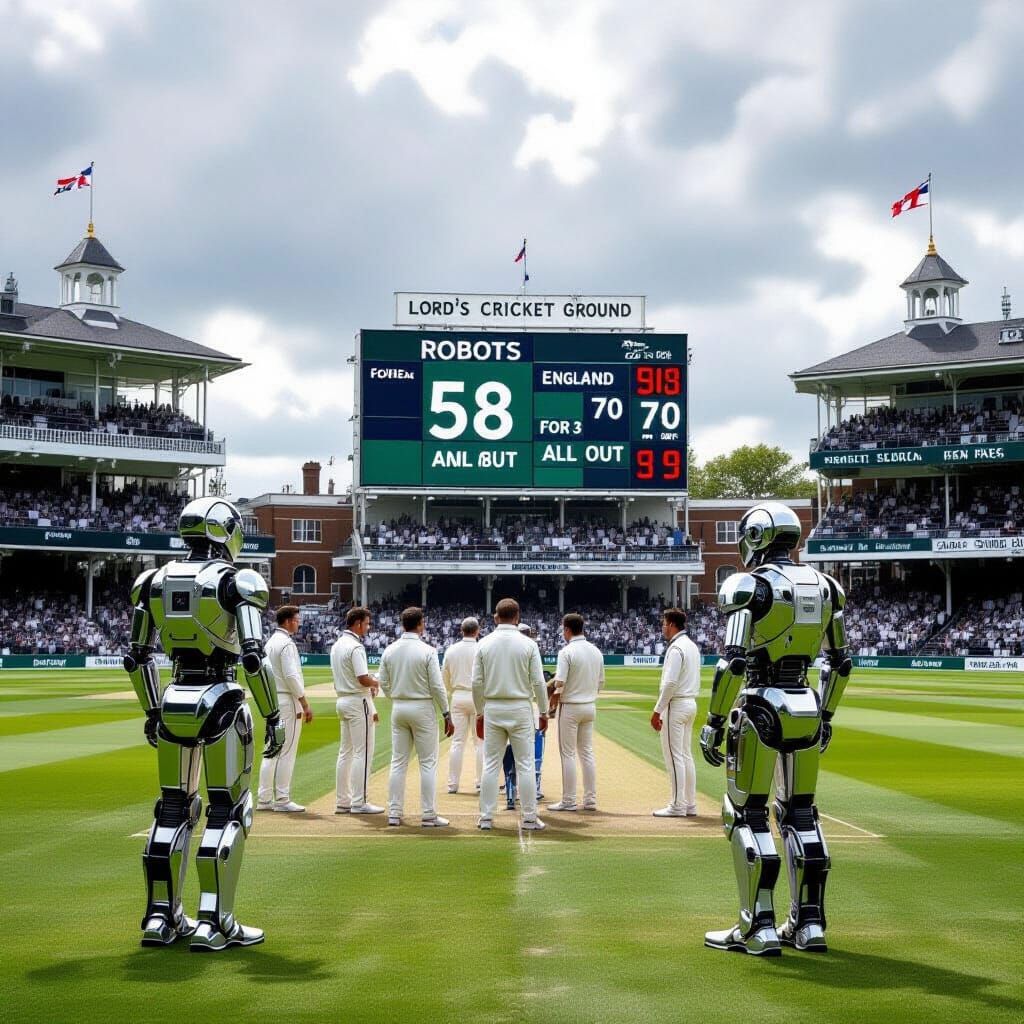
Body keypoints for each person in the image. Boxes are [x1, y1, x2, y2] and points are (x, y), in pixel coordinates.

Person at [123, 497, 283, 951]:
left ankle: (160, 917)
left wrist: (152, 711)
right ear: (228, 531)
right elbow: (253, 655)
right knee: (228, 810)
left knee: (172, 808)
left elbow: (136, 657)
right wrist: (272, 714)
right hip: (222, 697)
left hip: (173, 698)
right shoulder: (238, 581)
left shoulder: (153, 581)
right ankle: (217, 920)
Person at [699, 503, 852, 957]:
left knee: (744, 814)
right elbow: (840, 663)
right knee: (801, 814)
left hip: (762, 702)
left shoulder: (750, 585)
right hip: (806, 702)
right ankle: (809, 925)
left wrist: (713, 720)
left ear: (757, 535)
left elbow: (734, 660)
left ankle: (757, 926)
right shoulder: (827, 587)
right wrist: (825, 716)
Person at [472, 598, 549, 831]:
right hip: (520, 707)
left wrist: (479, 712)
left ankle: (486, 817)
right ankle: (528, 817)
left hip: (494, 707)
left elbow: (476, 683)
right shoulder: (528, 644)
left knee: (490, 764)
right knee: (525, 764)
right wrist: (543, 711)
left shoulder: (484, 643)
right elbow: (538, 682)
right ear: (517, 617)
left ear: (496, 617)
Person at [378, 607, 454, 827]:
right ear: (420, 624)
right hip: (421, 707)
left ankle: (394, 813)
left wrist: (396, 697)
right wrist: (446, 713)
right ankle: (429, 814)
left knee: (398, 761)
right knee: (428, 763)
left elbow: (383, 682)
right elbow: (437, 686)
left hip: (400, 707)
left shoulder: (389, 650)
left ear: (403, 624)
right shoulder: (427, 651)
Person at [256, 605, 313, 813]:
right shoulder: (286, 644)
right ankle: (282, 799)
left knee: (272, 749)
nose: (298, 623)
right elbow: (291, 676)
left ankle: (264, 799)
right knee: (286, 751)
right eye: (296, 619)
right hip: (288, 702)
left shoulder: (270, 642)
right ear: (288, 621)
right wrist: (305, 703)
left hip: (273, 700)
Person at [547, 612, 604, 813]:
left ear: (567, 629)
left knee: (568, 754)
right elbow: (600, 683)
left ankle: (569, 800)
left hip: (570, 707)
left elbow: (560, 682)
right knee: (586, 753)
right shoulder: (596, 651)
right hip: (590, 706)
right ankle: (590, 800)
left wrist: (553, 700)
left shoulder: (567, 651)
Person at [331, 606, 385, 815]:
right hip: (356, 701)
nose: (368, 627)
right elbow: (362, 678)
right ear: (358, 623)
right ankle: (359, 802)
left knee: (345, 752)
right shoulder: (355, 647)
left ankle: (343, 801)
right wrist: (376, 681)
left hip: (343, 700)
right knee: (363, 752)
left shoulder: (337, 645)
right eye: (367, 623)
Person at [650, 607, 701, 818]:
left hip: (676, 705)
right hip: (690, 704)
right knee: (685, 755)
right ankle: (690, 804)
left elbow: (670, 683)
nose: (663, 627)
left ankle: (677, 805)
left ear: (671, 624)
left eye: (664, 623)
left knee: (674, 757)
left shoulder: (676, 648)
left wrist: (657, 710)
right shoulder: (691, 646)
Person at [443, 616, 482, 794]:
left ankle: (453, 785)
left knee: (457, 742)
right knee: (480, 742)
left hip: (458, 696)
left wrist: (453, 691)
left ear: (461, 631)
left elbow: (446, 678)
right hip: (478, 697)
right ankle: (481, 783)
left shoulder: (451, 650)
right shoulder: (482, 647)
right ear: (477, 631)